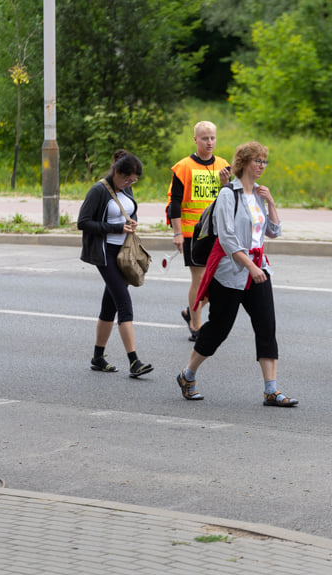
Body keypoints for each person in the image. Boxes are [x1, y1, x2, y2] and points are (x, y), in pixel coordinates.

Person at [174, 141, 297, 407]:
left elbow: (273, 232)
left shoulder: (259, 196)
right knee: (219, 329)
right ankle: (188, 375)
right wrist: (249, 266)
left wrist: (272, 202)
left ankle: (271, 390)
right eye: (257, 161)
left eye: (265, 161)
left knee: (266, 327)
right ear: (243, 163)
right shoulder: (229, 194)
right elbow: (228, 239)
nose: (262, 166)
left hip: (258, 270)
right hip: (230, 272)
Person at [77, 150, 153, 378]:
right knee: (123, 303)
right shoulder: (99, 190)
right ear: (117, 172)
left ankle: (98, 357)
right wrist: (115, 228)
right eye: (127, 179)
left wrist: (132, 222)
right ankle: (134, 361)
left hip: (124, 253)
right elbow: (83, 222)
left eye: (134, 181)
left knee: (109, 306)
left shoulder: (125, 188)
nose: (130, 184)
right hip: (106, 254)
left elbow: (130, 210)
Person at [165, 121, 231, 341]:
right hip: (193, 233)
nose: (209, 142)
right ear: (195, 140)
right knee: (200, 278)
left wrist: (225, 184)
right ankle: (195, 325)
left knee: (219, 279)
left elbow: (229, 198)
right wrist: (176, 233)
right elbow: (174, 202)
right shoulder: (184, 167)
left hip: (218, 232)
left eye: (212, 137)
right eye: (204, 138)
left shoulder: (223, 165)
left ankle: (190, 311)